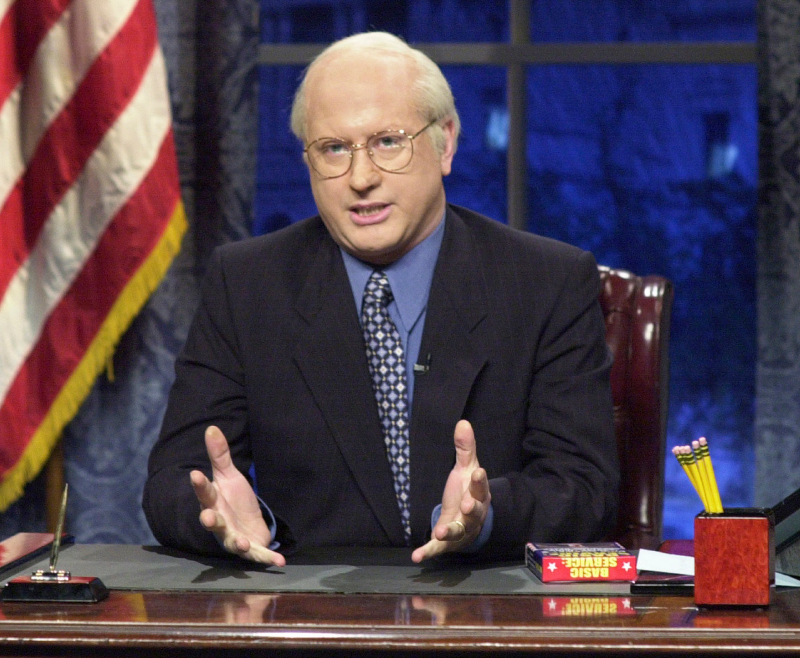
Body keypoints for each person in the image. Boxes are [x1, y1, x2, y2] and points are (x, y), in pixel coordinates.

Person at [143, 32, 619, 567]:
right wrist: (228, 519)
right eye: (334, 149)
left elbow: (585, 487)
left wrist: (489, 516)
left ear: (446, 141)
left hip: (486, 620)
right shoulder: (246, 283)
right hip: (310, 625)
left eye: (389, 142)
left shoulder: (546, 281)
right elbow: (170, 481)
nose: (361, 179)